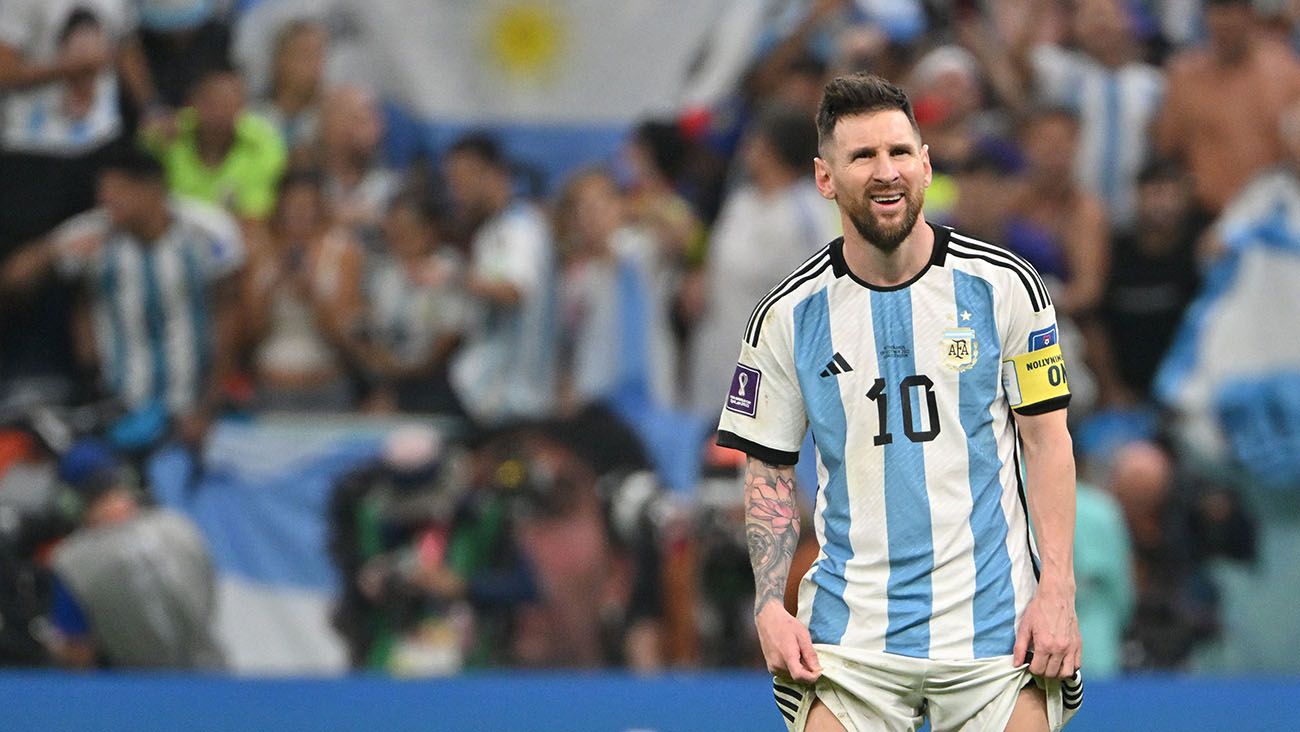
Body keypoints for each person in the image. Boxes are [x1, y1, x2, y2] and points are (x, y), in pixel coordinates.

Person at [716, 74, 1081, 731]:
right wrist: (769, 604)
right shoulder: (785, 317)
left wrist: (1057, 590)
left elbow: (1048, 441)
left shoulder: (1005, 287)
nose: (886, 173)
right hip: (852, 641)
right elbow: (768, 469)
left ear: (926, 164)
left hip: (996, 632)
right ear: (825, 179)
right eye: (862, 157)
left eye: (899, 153)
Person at [0, 147, 244, 444]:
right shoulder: (94, 234)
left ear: (151, 189)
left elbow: (228, 321)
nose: (105, 199)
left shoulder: (207, 232)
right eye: (102, 190)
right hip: (118, 407)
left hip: (192, 404)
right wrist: (52, 251)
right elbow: (13, 280)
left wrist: (208, 406)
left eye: (116, 189)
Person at [48, 437, 224, 669]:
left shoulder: (72, 562)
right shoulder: (179, 527)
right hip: (214, 684)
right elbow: (210, 599)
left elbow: (80, 654)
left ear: (69, 501)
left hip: (138, 697)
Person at [443, 134, 557, 427]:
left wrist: (453, 277)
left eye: (462, 179)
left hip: (516, 398)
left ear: (492, 174)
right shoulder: (490, 232)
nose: (456, 191)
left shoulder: (521, 227)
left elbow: (515, 290)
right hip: (487, 395)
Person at [1154, 0, 1300, 219]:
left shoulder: (1286, 73)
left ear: (1250, 16)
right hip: (1204, 214)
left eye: (1233, 13)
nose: (1226, 23)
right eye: (1218, 13)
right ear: (1206, 19)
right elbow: (1168, 151)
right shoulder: (1183, 78)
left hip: (1270, 220)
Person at [143, 64, 287, 222]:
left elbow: (255, 215)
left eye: (231, 102)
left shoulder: (264, 144)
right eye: (213, 102)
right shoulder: (168, 134)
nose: (222, 112)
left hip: (236, 236)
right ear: (193, 102)